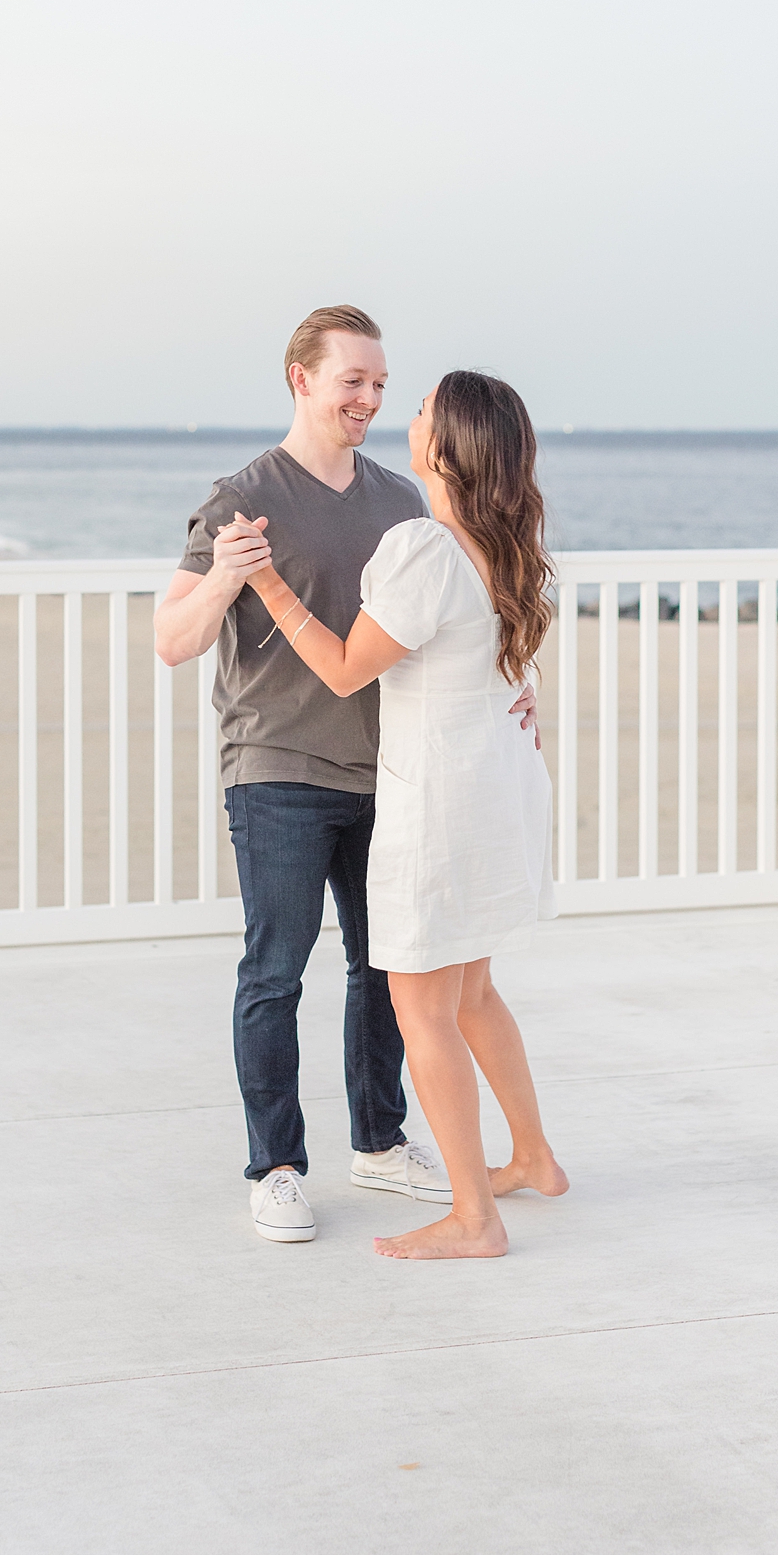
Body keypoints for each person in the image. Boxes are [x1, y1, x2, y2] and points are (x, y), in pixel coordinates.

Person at [152, 308, 539, 1245]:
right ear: (300, 379)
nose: (368, 398)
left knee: (387, 971)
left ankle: (380, 1139)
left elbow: (459, 615)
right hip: (277, 762)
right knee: (275, 972)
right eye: (351, 380)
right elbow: (172, 641)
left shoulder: (402, 502)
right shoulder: (241, 498)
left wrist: (521, 686)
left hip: (392, 776)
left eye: (380, 383)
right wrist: (227, 578)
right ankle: (277, 1166)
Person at [237, 369, 567, 1261]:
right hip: (497, 794)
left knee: (422, 1009)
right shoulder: (506, 548)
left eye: (418, 409)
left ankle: (474, 1218)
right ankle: (532, 1156)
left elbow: (347, 668)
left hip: (443, 808)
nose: (402, 414)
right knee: (473, 993)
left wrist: (268, 589)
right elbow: (499, 668)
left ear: (446, 446)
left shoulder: (426, 547)